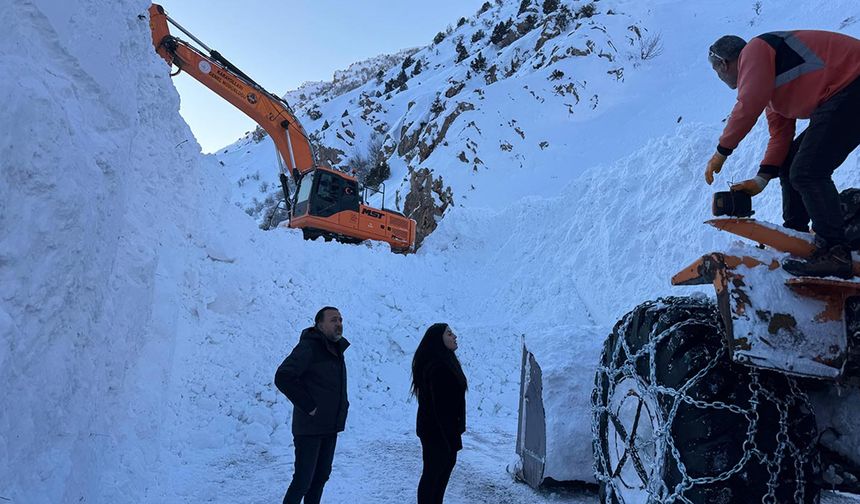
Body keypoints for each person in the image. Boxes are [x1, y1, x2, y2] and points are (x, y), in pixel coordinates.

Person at [704, 30, 860, 278]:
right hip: (845, 93)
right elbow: (780, 137)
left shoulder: (755, 50)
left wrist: (721, 152)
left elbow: (747, 105)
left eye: (717, 71)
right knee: (792, 164)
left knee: (807, 171)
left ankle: (835, 252)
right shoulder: (769, 82)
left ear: (723, 63)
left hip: (852, 85)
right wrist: (761, 179)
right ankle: (796, 233)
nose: (720, 77)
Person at [274, 307, 349, 504]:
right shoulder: (309, 347)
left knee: (320, 478)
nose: (339, 324)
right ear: (319, 325)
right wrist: (309, 406)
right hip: (309, 428)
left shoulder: (335, 348)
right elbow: (283, 376)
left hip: (329, 426)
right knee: (302, 481)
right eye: (333, 320)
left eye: (340, 320)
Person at [411, 323, 467, 504]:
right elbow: (440, 407)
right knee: (433, 476)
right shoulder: (437, 367)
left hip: (446, 431)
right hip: (437, 432)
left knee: (439, 476)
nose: (454, 336)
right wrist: (446, 438)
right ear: (438, 340)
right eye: (449, 334)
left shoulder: (447, 362)